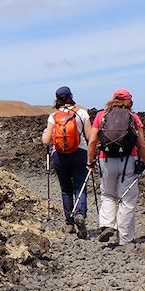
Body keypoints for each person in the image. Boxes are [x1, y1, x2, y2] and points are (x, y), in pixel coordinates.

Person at [87, 89, 145, 246]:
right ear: (129, 101)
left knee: (108, 194)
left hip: (106, 160)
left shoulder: (102, 116)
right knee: (127, 199)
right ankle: (125, 239)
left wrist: (90, 160)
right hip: (129, 160)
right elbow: (141, 144)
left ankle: (108, 225)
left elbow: (93, 141)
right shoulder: (133, 117)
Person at [41, 86, 92, 237]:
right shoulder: (82, 113)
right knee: (80, 187)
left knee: (65, 189)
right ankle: (80, 214)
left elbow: (46, 141)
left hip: (60, 155)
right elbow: (90, 137)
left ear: (57, 99)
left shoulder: (53, 116)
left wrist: (46, 136)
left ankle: (69, 222)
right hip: (80, 153)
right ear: (71, 96)